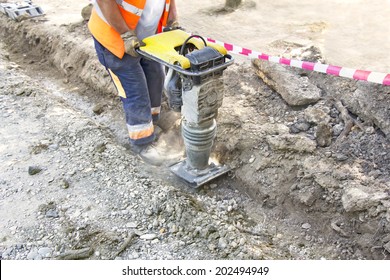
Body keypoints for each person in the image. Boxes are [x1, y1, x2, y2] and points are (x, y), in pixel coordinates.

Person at [88, 0, 179, 166]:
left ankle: (151, 123)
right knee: (135, 89)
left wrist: (172, 21)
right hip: (114, 38)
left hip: (146, 37)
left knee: (156, 76)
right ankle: (142, 143)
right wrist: (125, 34)